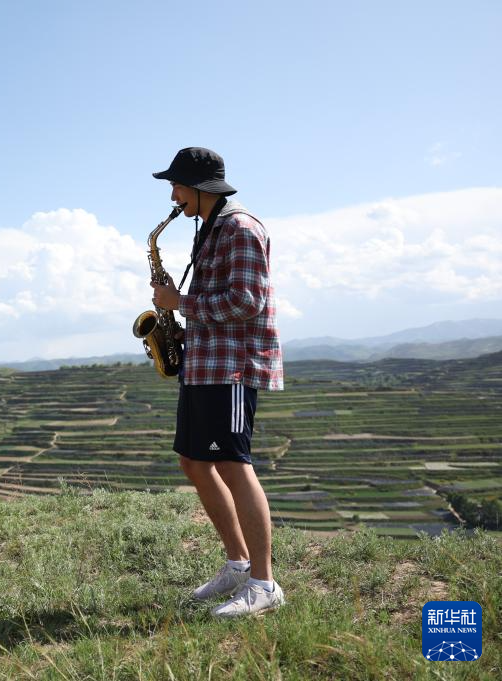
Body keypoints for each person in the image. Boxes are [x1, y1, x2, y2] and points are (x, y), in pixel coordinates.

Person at [150, 147, 285, 617]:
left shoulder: (240, 228)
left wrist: (180, 303)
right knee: (193, 462)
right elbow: (222, 301)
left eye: (177, 186)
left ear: (198, 186)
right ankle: (238, 564)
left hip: (232, 367)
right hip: (205, 363)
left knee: (232, 464)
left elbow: (247, 302)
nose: (173, 196)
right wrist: (180, 330)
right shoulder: (210, 227)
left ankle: (264, 584)